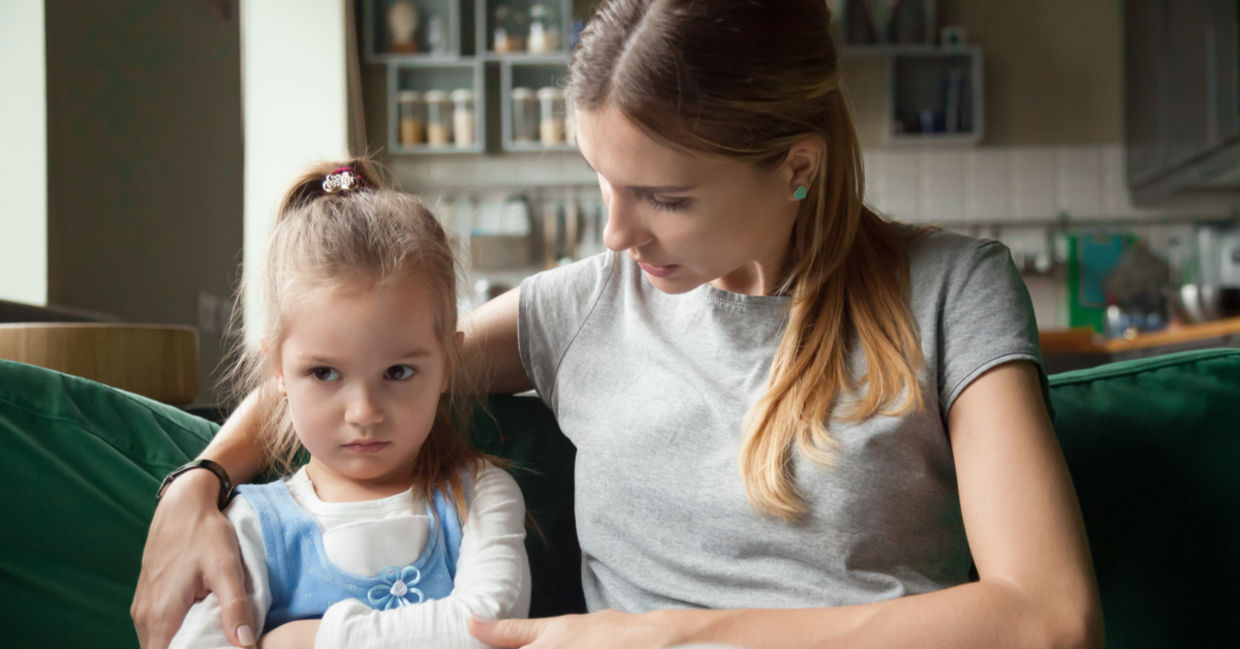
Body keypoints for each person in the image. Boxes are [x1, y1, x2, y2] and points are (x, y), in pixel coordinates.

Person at [133, 1, 1104, 648]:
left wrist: (671, 634)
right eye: (603, 180)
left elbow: (1051, 618)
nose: (615, 232)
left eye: (665, 198)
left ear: (797, 167)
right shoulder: (586, 306)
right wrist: (198, 483)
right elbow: (361, 365)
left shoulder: (951, 291)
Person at [163, 162, 530, 649]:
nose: (364, 412)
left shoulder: (480, 495)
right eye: (324, 373)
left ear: (446, 364)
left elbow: (490, 630)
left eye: (398, 372)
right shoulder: (251, 524)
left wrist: (295, 642)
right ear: (278, 371)